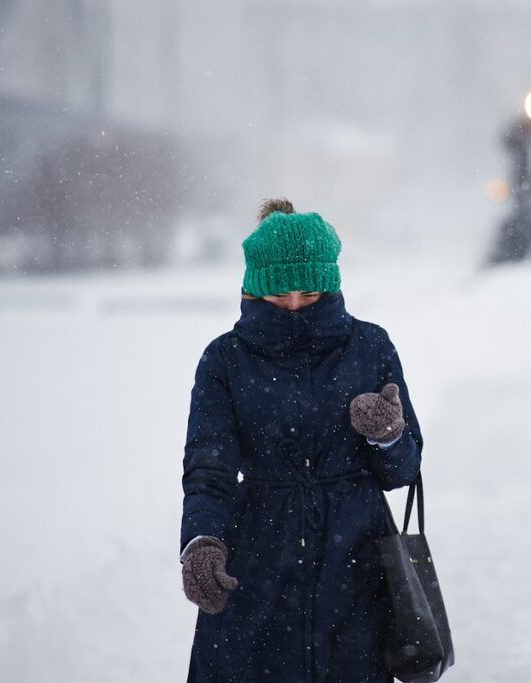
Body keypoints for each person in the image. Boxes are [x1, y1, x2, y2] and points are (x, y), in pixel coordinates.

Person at [179, 198, 424, 681]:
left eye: (309, 294)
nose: (294, 306)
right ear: (253, 291)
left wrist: (387, 436)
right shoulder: (224, 360)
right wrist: (202, 540)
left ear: (330, 284)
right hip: (259, 562)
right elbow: (209, 468)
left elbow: (403, 471)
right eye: (279, 295)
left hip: (356, 563)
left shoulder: (371, 346)